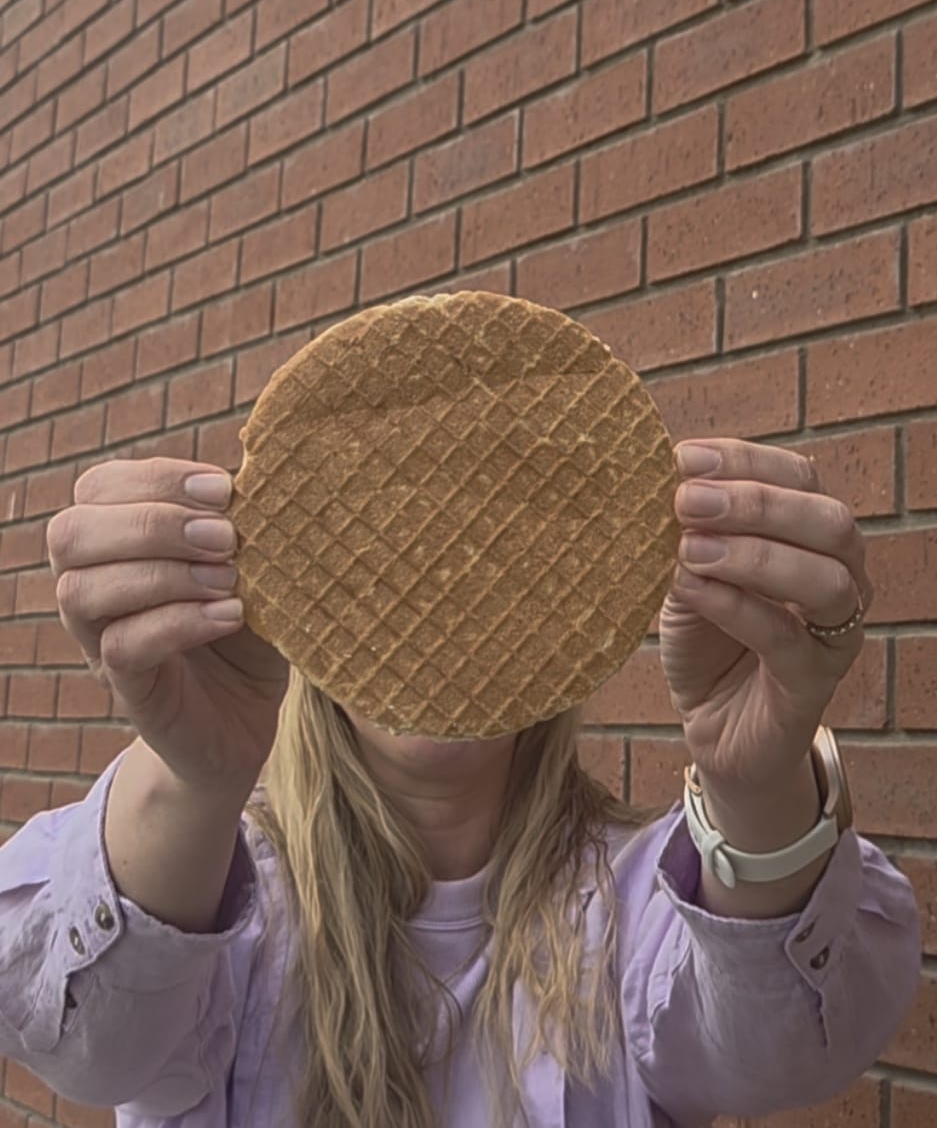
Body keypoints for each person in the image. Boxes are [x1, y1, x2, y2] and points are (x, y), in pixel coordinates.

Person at [0, 437, 920, 1128]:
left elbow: (781, 1052)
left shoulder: (639, 905)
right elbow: (81, 1043)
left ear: (562, 621)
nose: (434, 605)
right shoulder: (219, 902)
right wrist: (191, 779)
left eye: (487, 570)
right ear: (308, 611)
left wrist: (754, 788)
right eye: (379, 568)